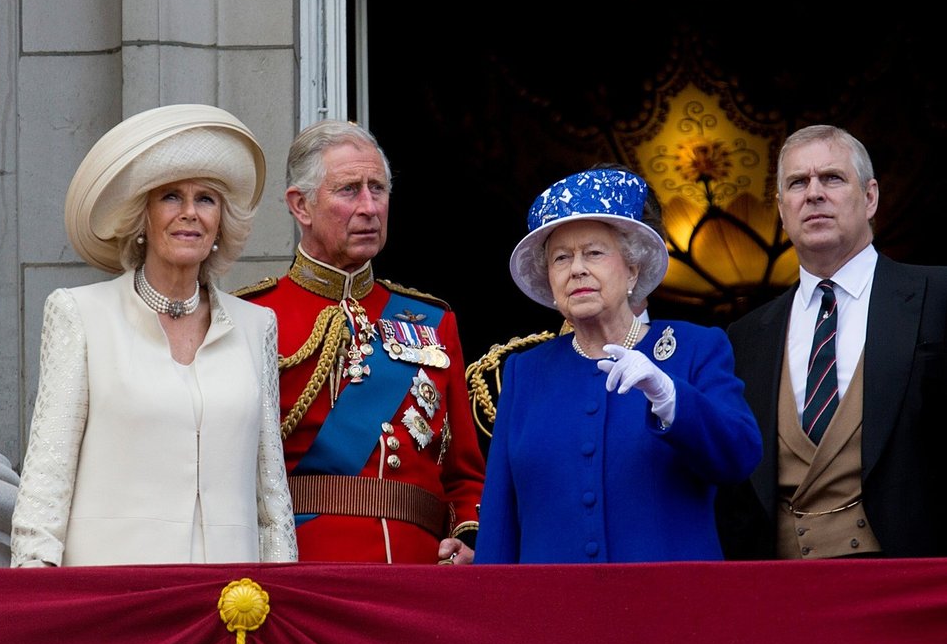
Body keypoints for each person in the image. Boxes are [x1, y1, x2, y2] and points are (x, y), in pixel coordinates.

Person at [9, 103, 298, 567]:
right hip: (115, 603)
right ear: (140, 217)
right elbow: (46, 482)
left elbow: (272, 502)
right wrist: (37, 597)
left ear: (222, 221)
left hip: (230, 607)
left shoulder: (255, 326)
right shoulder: (82, 314)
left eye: (205, 199)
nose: (189, 213)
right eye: (170, 197)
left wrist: (279, 598)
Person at [474, 167, 762, 563]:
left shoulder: (696, 347)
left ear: (632, 268)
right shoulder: (525, 373)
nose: (577, 268)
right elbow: (500, 521)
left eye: (593, 252)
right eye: (561, 258)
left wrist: (671, 398)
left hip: (668, 608)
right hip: (552, 614)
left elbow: (740, 457)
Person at [235, 119, 484, 564]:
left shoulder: (435, 320)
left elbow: (465, 475)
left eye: (379, 189)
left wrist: (468, 540)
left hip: (420, 571)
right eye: (349, 190)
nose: (370, 206)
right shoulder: (252, 318)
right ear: (301, 206)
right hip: (306, 571)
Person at [715, 124, 947, 559]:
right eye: (797, 183)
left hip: (912, 581)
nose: (814, 193)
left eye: (832, 178)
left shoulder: (938, 297)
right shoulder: (746, 336)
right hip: (783, 592)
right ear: (782, 210)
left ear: (871, 197)